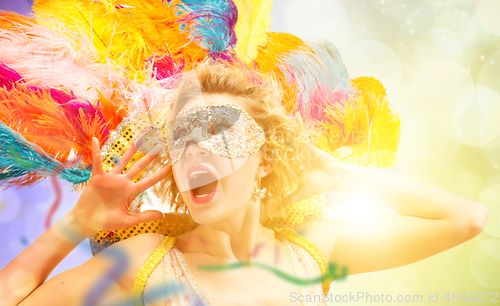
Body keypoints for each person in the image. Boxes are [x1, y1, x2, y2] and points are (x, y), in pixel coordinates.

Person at [0, 63, 489, 306]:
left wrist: (338, 174)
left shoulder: (311, 250)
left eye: (219, 131)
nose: (195, 149)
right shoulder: (144, 261)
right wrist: (76, 223)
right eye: (183, 138)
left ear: (264, 160)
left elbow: (466, 219)